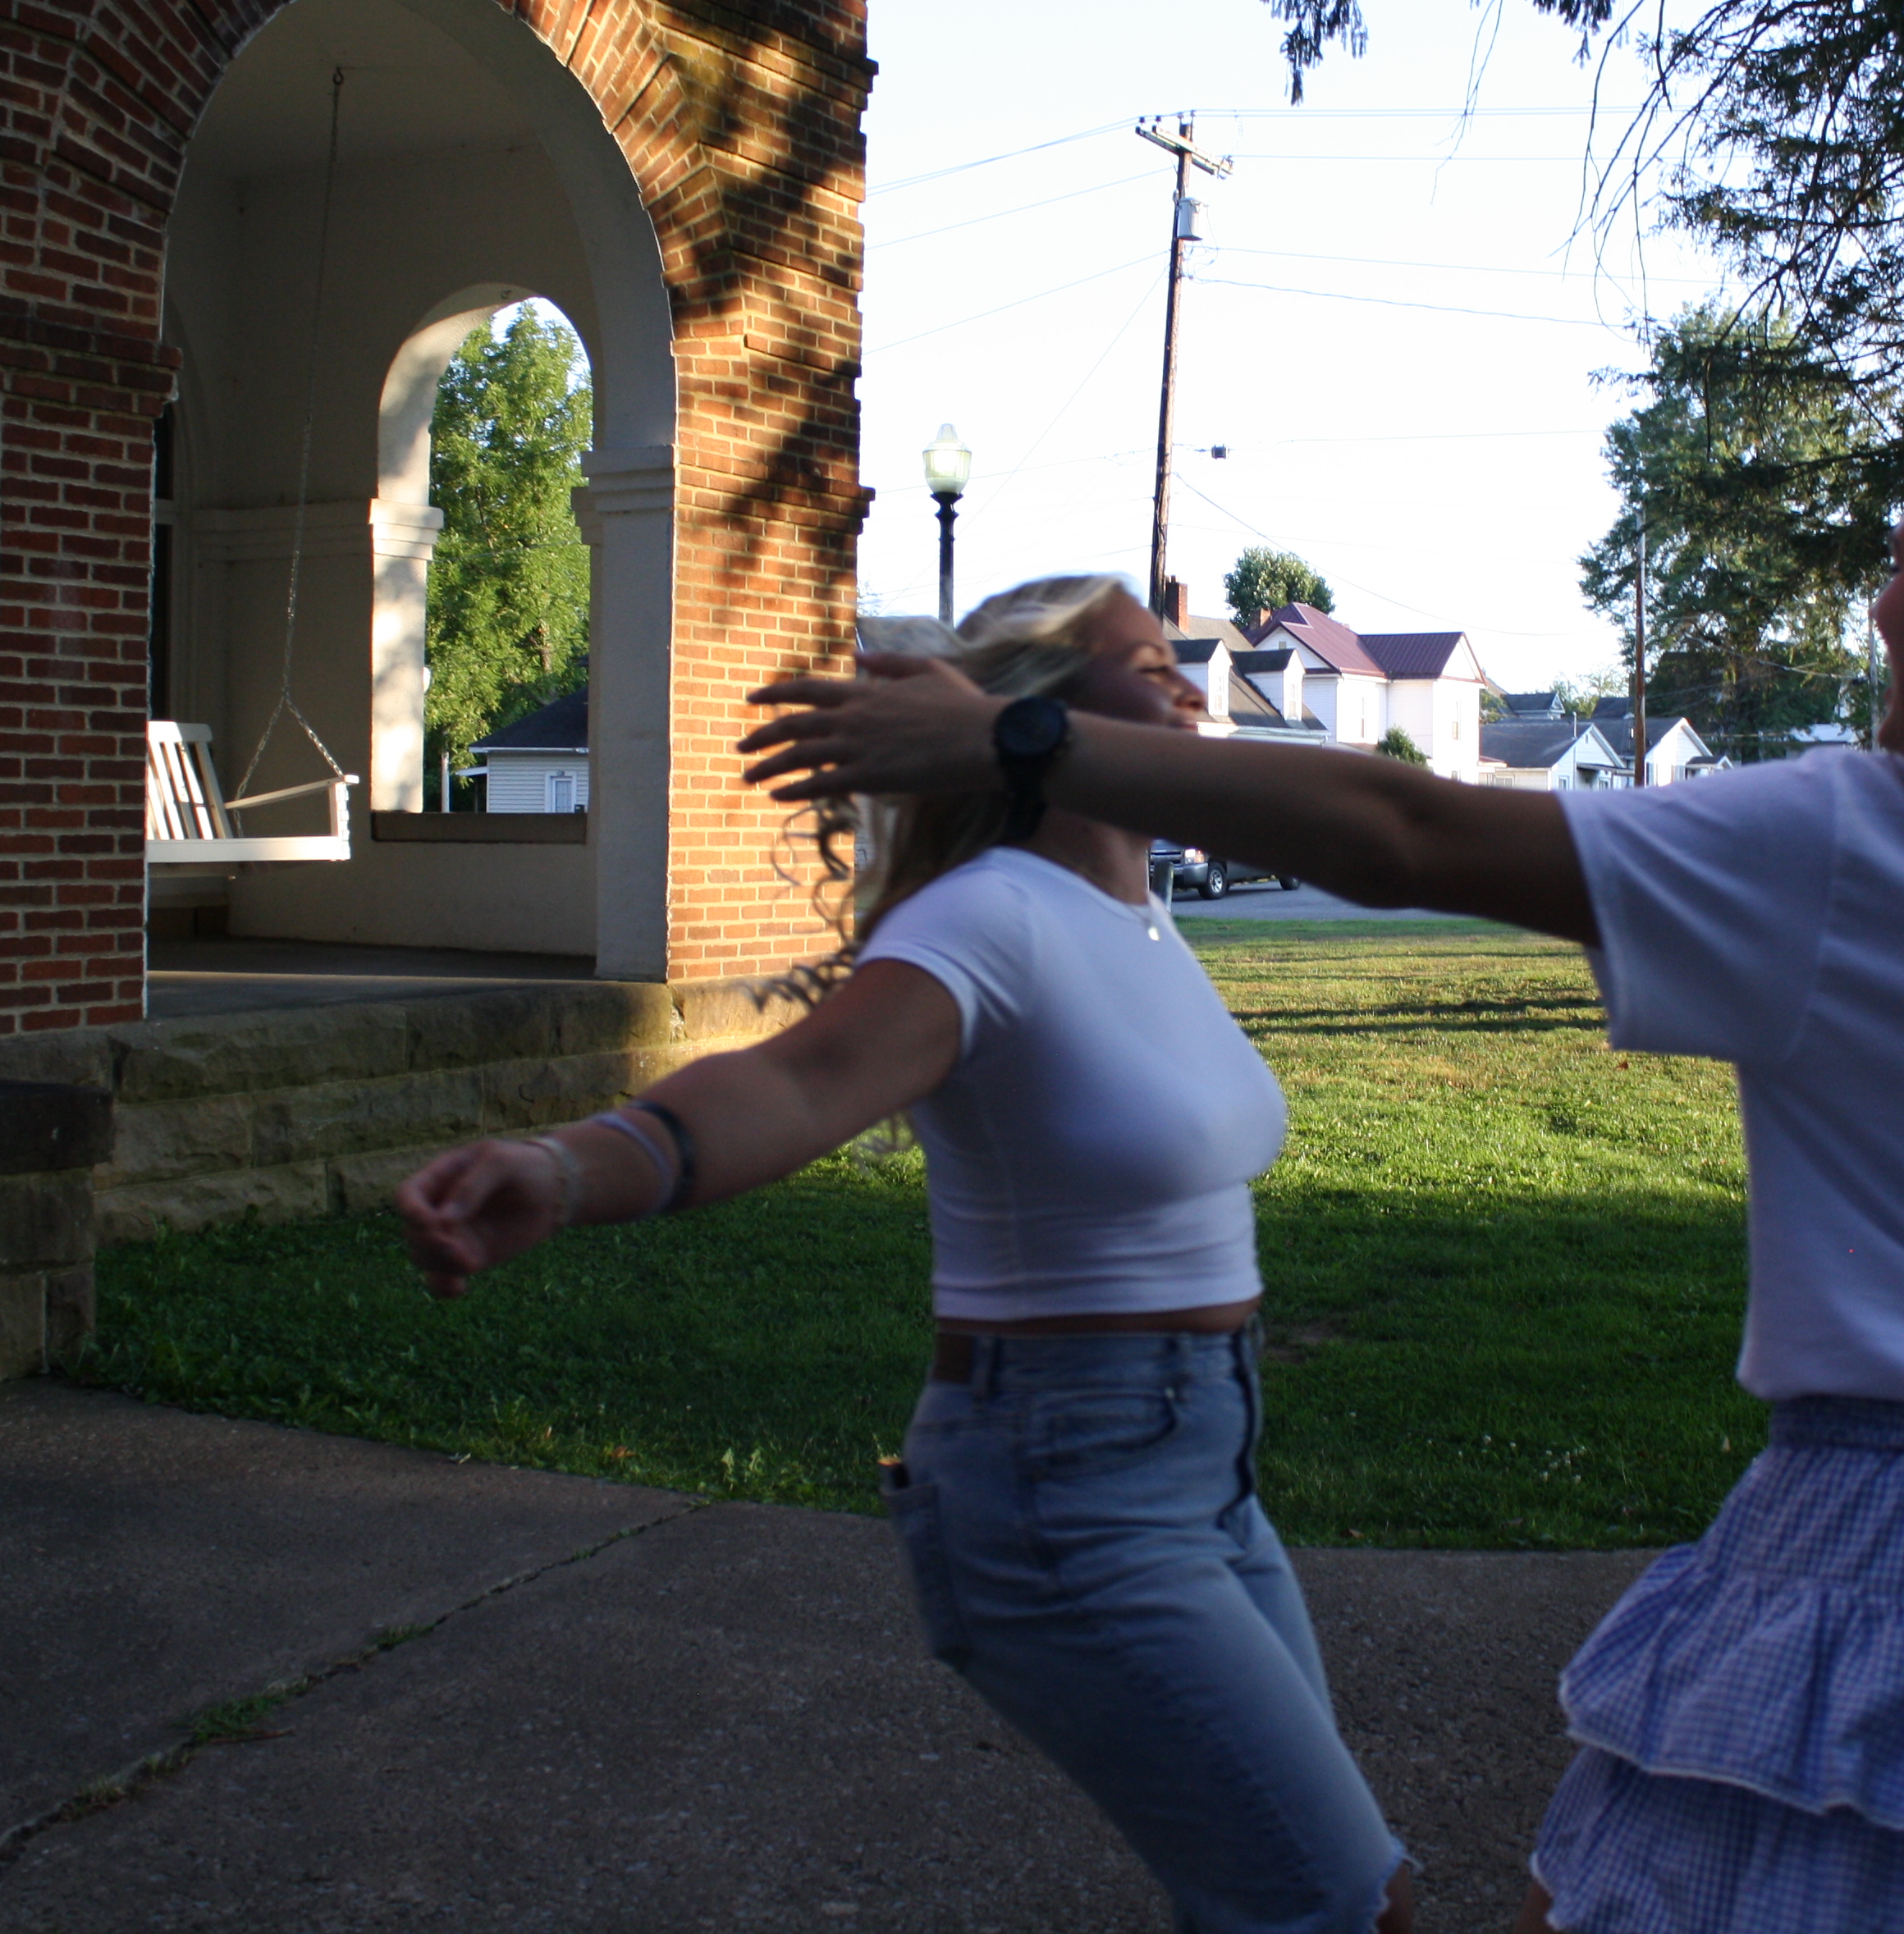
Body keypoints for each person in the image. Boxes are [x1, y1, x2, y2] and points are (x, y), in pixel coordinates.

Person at [739, 416, 1904, 1934]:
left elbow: (1406, 829)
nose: (1875, 610)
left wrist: (1021, 732)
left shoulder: (1857, 840)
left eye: (1903, 569)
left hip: (1886, 1568)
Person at [395, 576, 1417, 1934]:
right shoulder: (988, 916)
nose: (1186, 686)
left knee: (1280, 1891)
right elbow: (798, 1081)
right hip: (1067, 1481)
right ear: (1035, 714)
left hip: (1203, 1466)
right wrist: (574, 1165)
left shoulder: (1141, 917)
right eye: (1145, 662)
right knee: (1337, 1901)